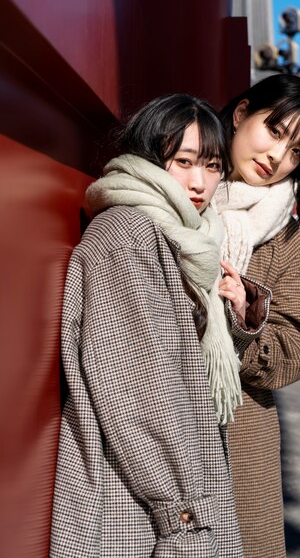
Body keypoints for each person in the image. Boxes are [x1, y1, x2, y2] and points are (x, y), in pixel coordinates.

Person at [49, 94, 270, 558]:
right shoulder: (127, 237)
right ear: (148, 157)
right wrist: (185, 515)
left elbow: (184, 356)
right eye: (183, 161)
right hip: (140, 506)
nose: (199, 181)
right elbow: (139, 390)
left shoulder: (189, 235)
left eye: (211, 166)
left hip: (165, 491)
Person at [214, 73, 300, 558]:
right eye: (275, 130)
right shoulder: (179, 190)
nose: (278, 156)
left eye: (297, 151)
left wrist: (244, 319)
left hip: (238, 432)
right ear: (241, 115)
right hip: (156, 415)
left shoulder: (285, 237)